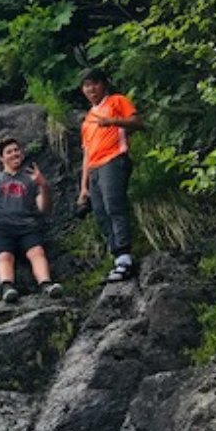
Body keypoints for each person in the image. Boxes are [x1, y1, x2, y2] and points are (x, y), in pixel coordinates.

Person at [0, 137, 62, 303]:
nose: (15, 153)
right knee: (4, 256)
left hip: (27, 226)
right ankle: (7, 287)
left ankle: (46, 284)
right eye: (9, 152)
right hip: (2, 227)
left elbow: (44, 209)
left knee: (37, 252)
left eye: (16, 150)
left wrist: (44, 186)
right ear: (1, 158)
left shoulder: (31, 178)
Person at [77, 67, 143, 281]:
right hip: (94, 167)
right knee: (100, 212)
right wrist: (83, 188)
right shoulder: (87, 119)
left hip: (114, 159)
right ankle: (118, 258)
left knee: (114, 205)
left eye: (95, 83)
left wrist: (113, 122)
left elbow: (137, 122)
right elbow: (86, 154)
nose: (91, 88)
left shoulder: (116, 101)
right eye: (87, 85)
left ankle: (125, 257)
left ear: (104, 84)